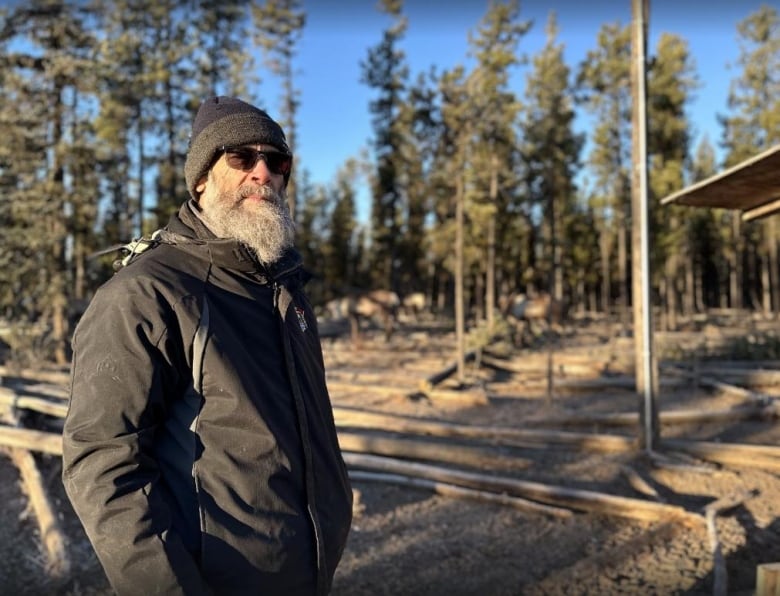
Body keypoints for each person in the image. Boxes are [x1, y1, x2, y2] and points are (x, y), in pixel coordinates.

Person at [62, 96, 353, 595]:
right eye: (241, 158)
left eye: (276, 161)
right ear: (201, 179)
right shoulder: (147, 294)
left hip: (307, 573)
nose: (262, 173)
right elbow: (102, 463)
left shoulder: (284, 289)